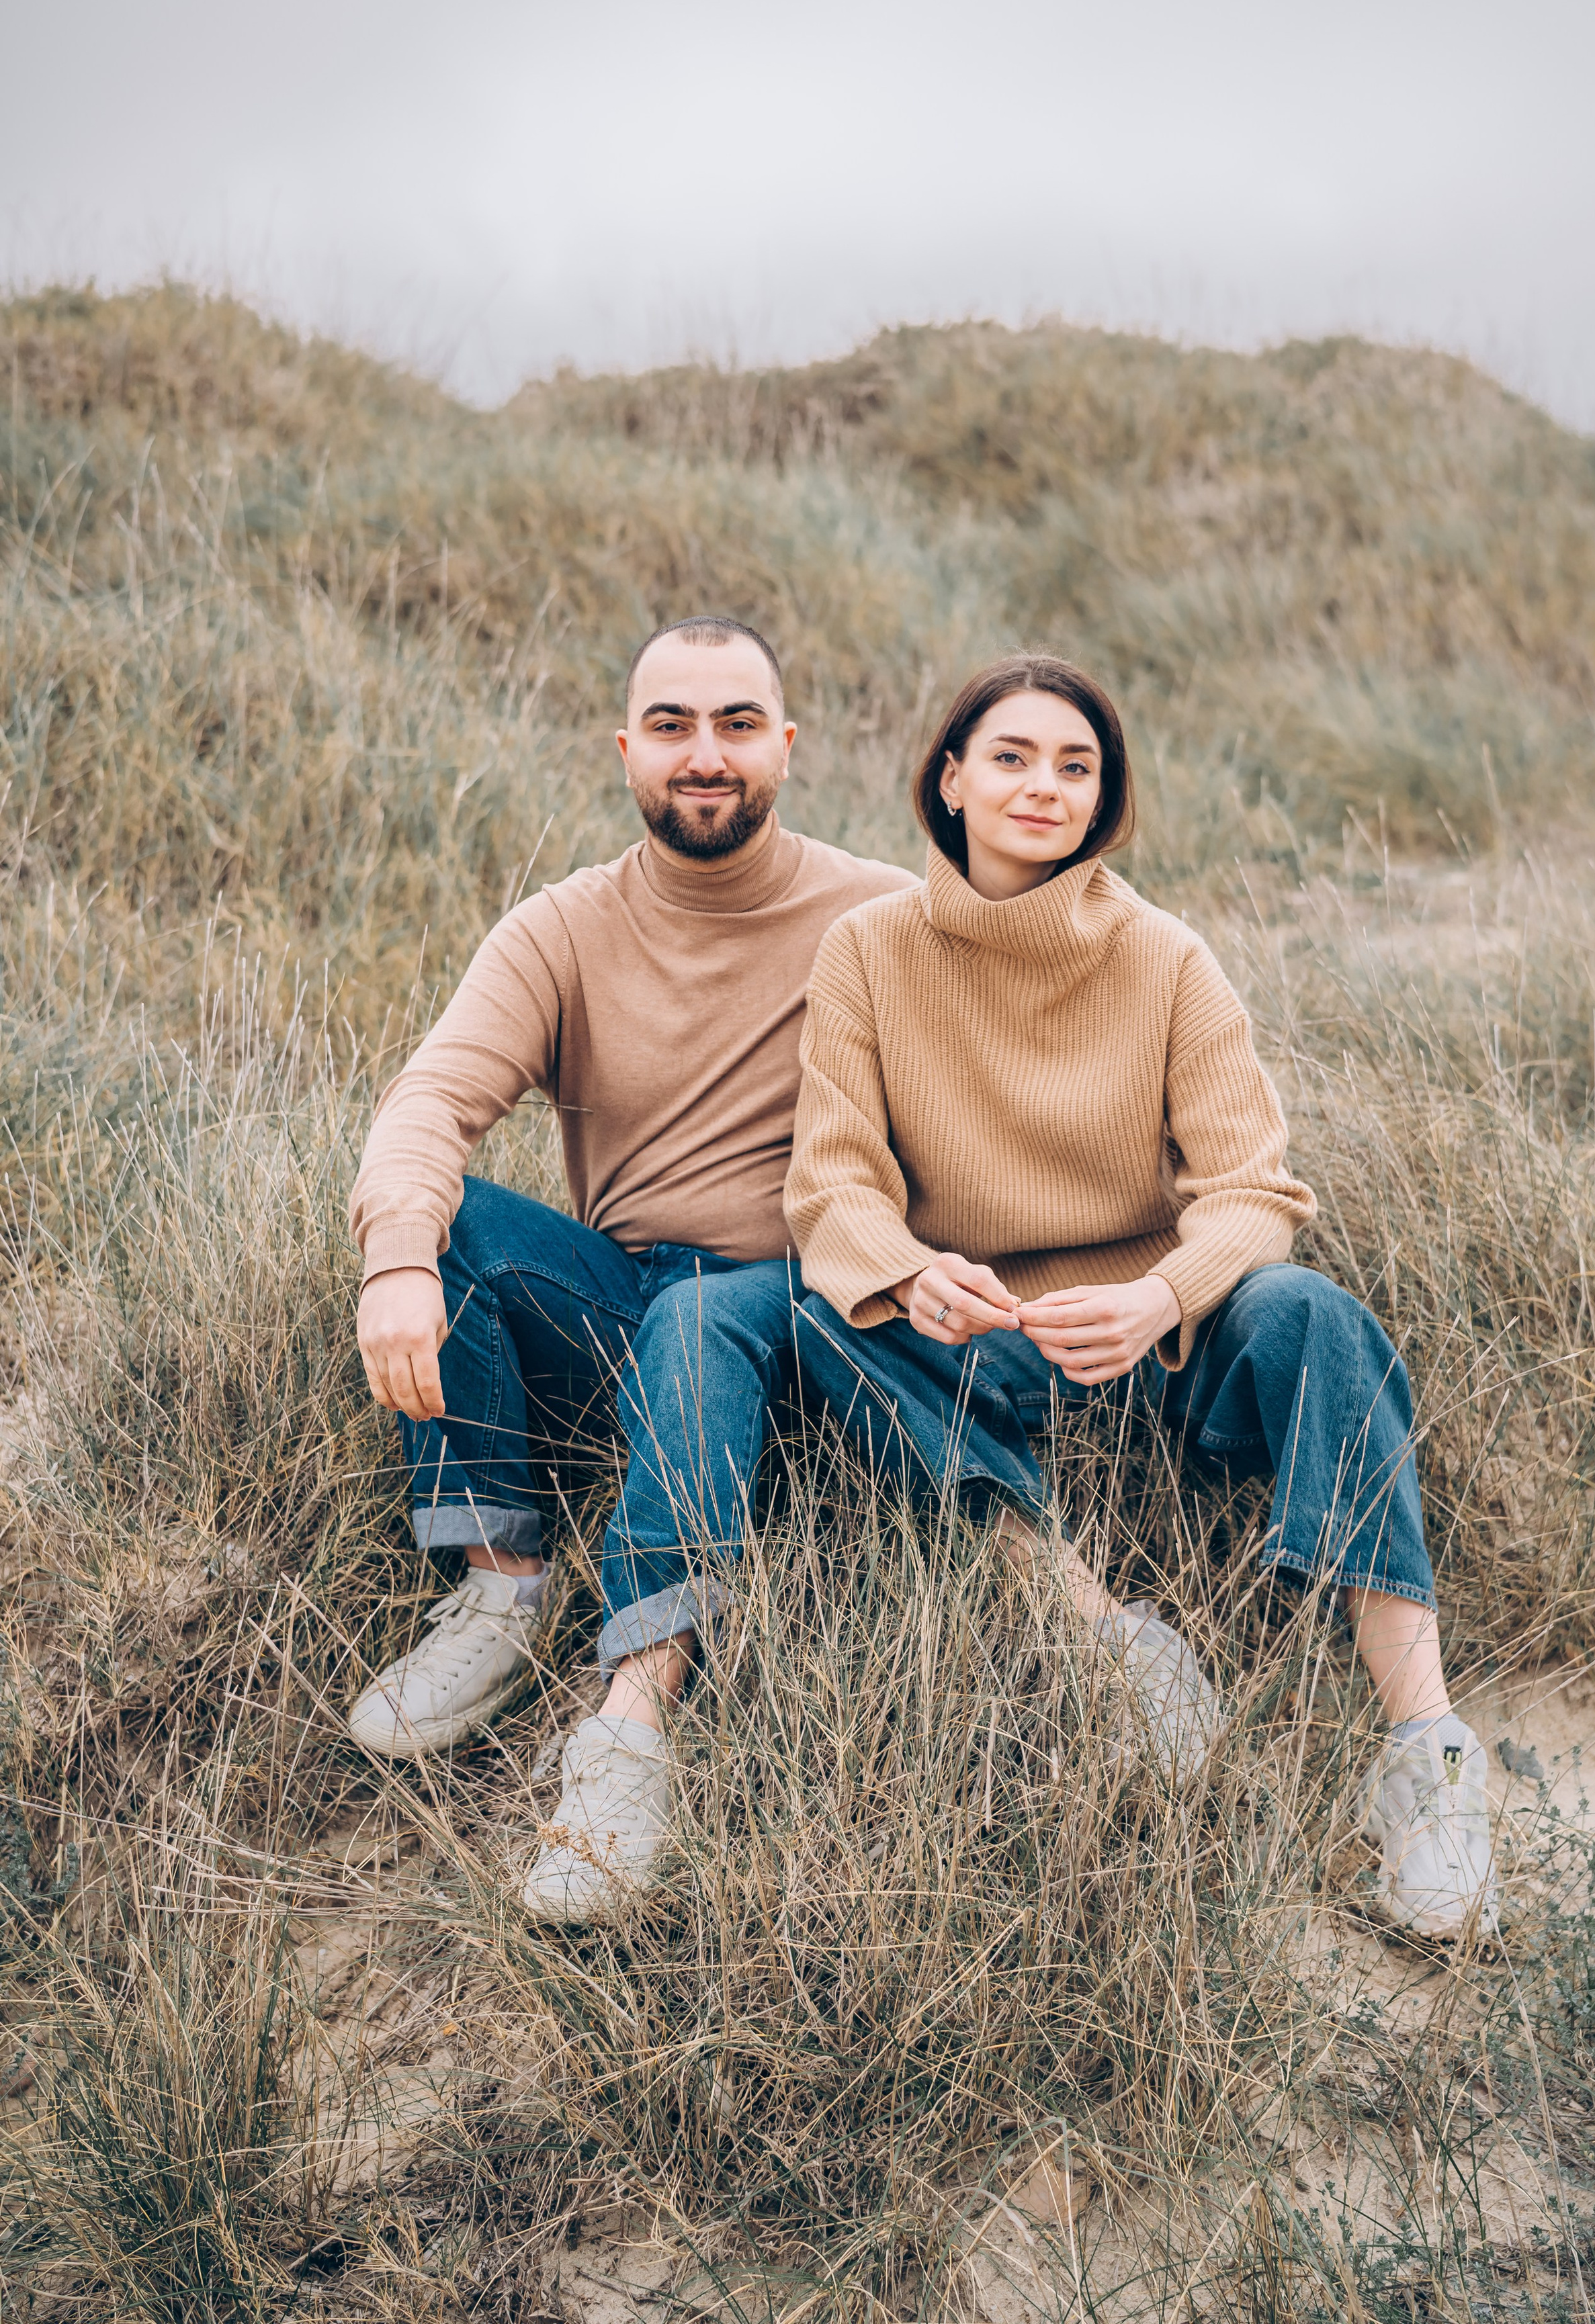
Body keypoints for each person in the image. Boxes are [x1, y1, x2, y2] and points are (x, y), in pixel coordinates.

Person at [781, 654, 1499, 1943]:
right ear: (950, 779)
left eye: (1077, 766)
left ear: (1103, 798)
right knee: (820, 1303)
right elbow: (831, 1182)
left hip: (1158, 1351)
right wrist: (910, 1271)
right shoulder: (868, 951)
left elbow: (1255, 1188)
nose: (1044, 787)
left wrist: (1162, 1299)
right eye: (1011, 757)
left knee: (1312, 1313)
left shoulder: (1166, 956)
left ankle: (1427, 1754)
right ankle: (1109, 1636)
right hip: (979, 1348)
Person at [347, 615, 912, 1923]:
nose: (703, 753)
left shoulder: (883, 915)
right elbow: (428, 1103)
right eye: (671, 726)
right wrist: (395, 1264)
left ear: (785, 746)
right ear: (625, 751)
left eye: (735, 724)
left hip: (805, 1326)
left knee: (707, 1312)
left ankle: (630, 1724)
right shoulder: (562, 928)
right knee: (452, 1223)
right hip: (627, 1299)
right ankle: (501, 1591)